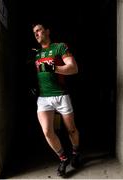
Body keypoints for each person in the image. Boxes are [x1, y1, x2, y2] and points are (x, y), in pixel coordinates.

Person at [30, 22, 81, 177]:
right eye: (34, 32)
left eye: (39, 30)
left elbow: (74, 68)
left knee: (71, 129)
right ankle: (63, 159)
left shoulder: (59, 47)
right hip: (44, 98)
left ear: (47, 31)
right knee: (47, 131)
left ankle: (76, 152)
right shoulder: (36, 53)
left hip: (61, 95)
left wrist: (54, 68)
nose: (37, 34)